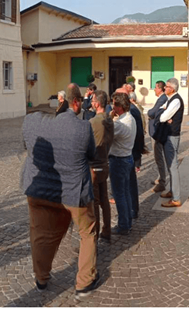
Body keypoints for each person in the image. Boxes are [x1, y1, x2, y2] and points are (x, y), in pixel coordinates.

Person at [20, 87, 100, 298]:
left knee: (40, 234)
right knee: (87, 232)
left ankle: (41, 278)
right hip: (73, 192)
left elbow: (27, 146)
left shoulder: (32, 120)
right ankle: (84, 281)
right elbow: (91, 154)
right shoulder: (83, 127)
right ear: (76, 103)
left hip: (39, 190)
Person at [109, 91, 136, 234]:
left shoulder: (120, 124)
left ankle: (124, 225)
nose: (112, 107)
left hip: (119, 160)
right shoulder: (130, 118)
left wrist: (109, 117)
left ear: (119, 106)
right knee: (126, 193)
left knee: (119, 194)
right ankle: (127, 221)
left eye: (114, 104)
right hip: (127, 158)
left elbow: (106, 133)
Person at [88, 90, 113, 243]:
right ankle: (107, 229)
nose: (91, 103)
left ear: (97, 103)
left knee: (95, 202)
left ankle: (94, 237)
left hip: (94, 166)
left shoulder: (93, 122)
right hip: (105, 162)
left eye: (92, 101)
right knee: (104, 199)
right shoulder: (109, 119)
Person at [158, 77, 185, 208]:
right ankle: (172, 191)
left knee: (173, 166)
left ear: (172, 89)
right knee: (170, 165)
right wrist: (164, 115)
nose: (164, 88)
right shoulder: (171, 100)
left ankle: (176, 198)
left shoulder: (176, 101)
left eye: (166, 86)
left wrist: (165, 116)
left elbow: (162, 117)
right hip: (168, 135)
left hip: (172, 136)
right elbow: (160, 112)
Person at [147, 80, 169, 193]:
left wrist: (149, 113)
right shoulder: (161, 98)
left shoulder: (162, 98)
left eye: (155, 87)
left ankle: (162, 181)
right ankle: (160, 177)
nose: (154, 89)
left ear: (160, 88)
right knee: (157, 156)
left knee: (158, 156)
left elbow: (152, 113)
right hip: (156, 130)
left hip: (157, 131)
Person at [127, 92, 144, 219]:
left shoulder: (131, 112)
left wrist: (137, 159)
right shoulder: (133, 110)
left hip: (129, 154)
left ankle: (131, 211)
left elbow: (138, 136)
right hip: (130, 154)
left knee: (129, 184)